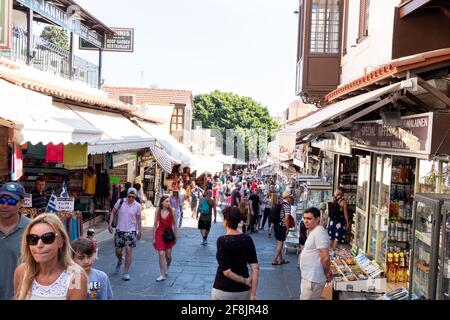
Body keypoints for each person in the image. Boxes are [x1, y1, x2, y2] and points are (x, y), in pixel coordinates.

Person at [14, 213, 88, 300]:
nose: (39, 245)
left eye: (48, 238)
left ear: (61, 241)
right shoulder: (21, 272)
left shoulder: (76, 279)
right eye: (33, 239)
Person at [211, 206, 259, 300]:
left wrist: (245, 281)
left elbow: (227, 272)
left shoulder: (222, 241)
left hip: (223, 289)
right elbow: (255, 267)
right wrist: (253, 294)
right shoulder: (247, 239)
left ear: (226, 220)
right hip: (243, 292)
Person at [0, 182, 31, 300]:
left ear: (22, 203)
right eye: (2, 200)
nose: (5, 205)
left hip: (19, 295)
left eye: (12, 201)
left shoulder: (31, 229)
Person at [108, 188, 142, 281]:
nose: (131, 198)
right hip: (119, 230)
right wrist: (109, 224)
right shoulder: (120, 201)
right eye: (129, 196)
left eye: (133, 197)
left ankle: (126, 272)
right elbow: (113, 212)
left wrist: (140, 231)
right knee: (118, 252)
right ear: (127, 195)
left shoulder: (138, 206)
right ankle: (119, 260)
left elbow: (138, 219)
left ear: (135, 197)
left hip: (131, 231)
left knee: (128, 251)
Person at [299, 207, 332, 300]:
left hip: (313, 279)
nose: (305, 221)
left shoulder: (320, 233)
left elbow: (325, 257)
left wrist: (327, 273)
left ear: (317, 219)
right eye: (304, 218)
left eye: (309, 219)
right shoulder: (313, 231)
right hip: (308, 277)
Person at [153, 196, 177, 282]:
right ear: (162, 202)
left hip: (169, 234)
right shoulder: (157, 211)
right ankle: (162, 274)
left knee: (168, 256)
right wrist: (153, 238)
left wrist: (176, 235)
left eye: (169, 201)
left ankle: (168, 265)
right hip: (160, 233)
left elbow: (174, 224)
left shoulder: (172, 211)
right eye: (166, 201)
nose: (168, 203)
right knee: (161, 254)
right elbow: (155, 225)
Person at [272, 191, 292, 265]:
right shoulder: (286, 206)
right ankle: (274, 259)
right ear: (287, 197)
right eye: (290, 197)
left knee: (280, 242)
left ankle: (281, 259)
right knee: (280, 244)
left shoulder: (280, 203)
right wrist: (287, 228)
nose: (291, 198)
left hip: (277, 225)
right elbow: (286, 219)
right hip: (282, 226)